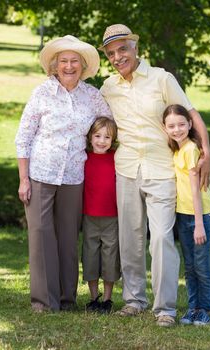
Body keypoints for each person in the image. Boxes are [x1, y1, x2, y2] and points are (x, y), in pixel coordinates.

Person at [99, 24, 210, 326]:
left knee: (161, 237)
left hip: (162, 169)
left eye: (122, 49)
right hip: (125, 169)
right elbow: (93, 118)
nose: (117, 56)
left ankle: (166, 308)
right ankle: (134, 299)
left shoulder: (162, 78)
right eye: (111, 53)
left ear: (135, 47)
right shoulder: (108, 87)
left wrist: (207, 151)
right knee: (130, 237)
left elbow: (191, 112)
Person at [15, 35, 111, 312]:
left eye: (74, 62)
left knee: (68, 237)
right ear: (55, 66)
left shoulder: (92, 96)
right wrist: (24, 178)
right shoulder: (41, 93)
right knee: (41, 235)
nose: (69, 66)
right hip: (41, 173)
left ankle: (67, 299)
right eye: (64, 61)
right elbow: (23, 136)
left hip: (74, 176)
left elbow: (109, 127)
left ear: (83, 66)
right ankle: (44, 301)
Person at [163, 104, 210, 326]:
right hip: (184, 215)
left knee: (201, 265)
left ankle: (204, 309)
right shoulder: (177, 149)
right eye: (171, 126)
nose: (177, 129)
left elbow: (195, 190)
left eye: (181, 124)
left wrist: (199, 224)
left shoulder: (191, 149)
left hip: (199, 214)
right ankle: (192, 308)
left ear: (190, 124)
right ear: (165, 128)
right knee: (190, 265)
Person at [82, 117, 120, 314]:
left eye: (107, 137)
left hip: (112, 217)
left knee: (110, 256)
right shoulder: (83, 158)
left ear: (113, 139)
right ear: (90, 137)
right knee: (90, 255)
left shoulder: (116, 158)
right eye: (97, 136)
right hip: (89, 216)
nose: (102, 140)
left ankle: (107, 299)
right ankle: (93, 297)